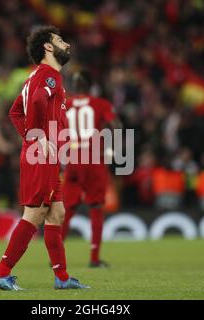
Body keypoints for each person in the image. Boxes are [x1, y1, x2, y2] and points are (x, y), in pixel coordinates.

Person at [0, 26, 89, 291]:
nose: (66, 44)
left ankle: (63, 278)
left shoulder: (37, 77)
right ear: (47, 47)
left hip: (46, 154)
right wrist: (37, 138)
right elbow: (34, 103)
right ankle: (1, 272)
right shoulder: (49, 76)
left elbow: (14, 112)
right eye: (60, 40)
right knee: (34, 214)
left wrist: (33, 138)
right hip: (41, 156)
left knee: (57, 212)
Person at [61, 70, 121, 268]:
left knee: (68, 209)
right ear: (91, 86)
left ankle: (56, 256)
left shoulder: (66, 105)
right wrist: (111, 150)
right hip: (94, 159)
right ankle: (94, 258)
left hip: (72, 160)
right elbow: (116, 125)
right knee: (95, 207)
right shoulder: (100, 104)